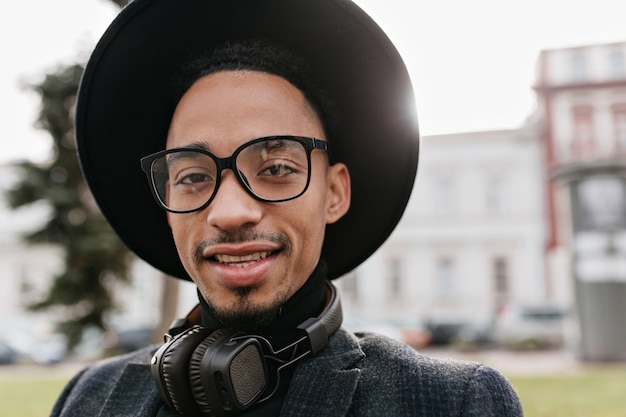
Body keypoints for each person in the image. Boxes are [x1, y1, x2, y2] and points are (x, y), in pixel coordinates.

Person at [51, 0, 523, 416]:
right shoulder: (88, 400)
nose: (231, 212)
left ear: (334, 193)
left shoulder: (449, 403)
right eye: (193, 177)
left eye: (276, 168)